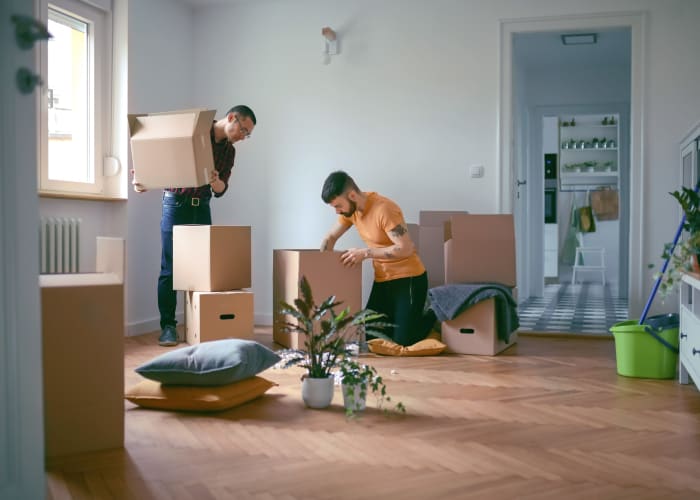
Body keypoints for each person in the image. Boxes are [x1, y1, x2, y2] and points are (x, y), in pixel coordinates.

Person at [133, 105, 257, 346]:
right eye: (243, 129)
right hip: (175, 204)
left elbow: (221, 191)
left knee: (202, 271)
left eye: (247, 134)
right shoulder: (193, 132)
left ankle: (200, 324)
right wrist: (143, 181)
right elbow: (163, 162)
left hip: (202, 206)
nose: (243, 136)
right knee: (170, 269)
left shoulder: (229, 153)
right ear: (231, 118)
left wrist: (217, 181)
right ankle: (168, 327)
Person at [320, 171, 436, 347]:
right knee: (372, 337)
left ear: (352, 195)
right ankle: (404, 318)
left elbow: (405, 248)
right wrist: (320, 268)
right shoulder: (351, 211)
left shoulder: (385, 209)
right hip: (383, 280)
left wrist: (366, 253)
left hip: (409, 279)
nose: (337, 211)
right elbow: (330, 238)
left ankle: (432, 313)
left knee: (403, 342)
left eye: (338, 206)